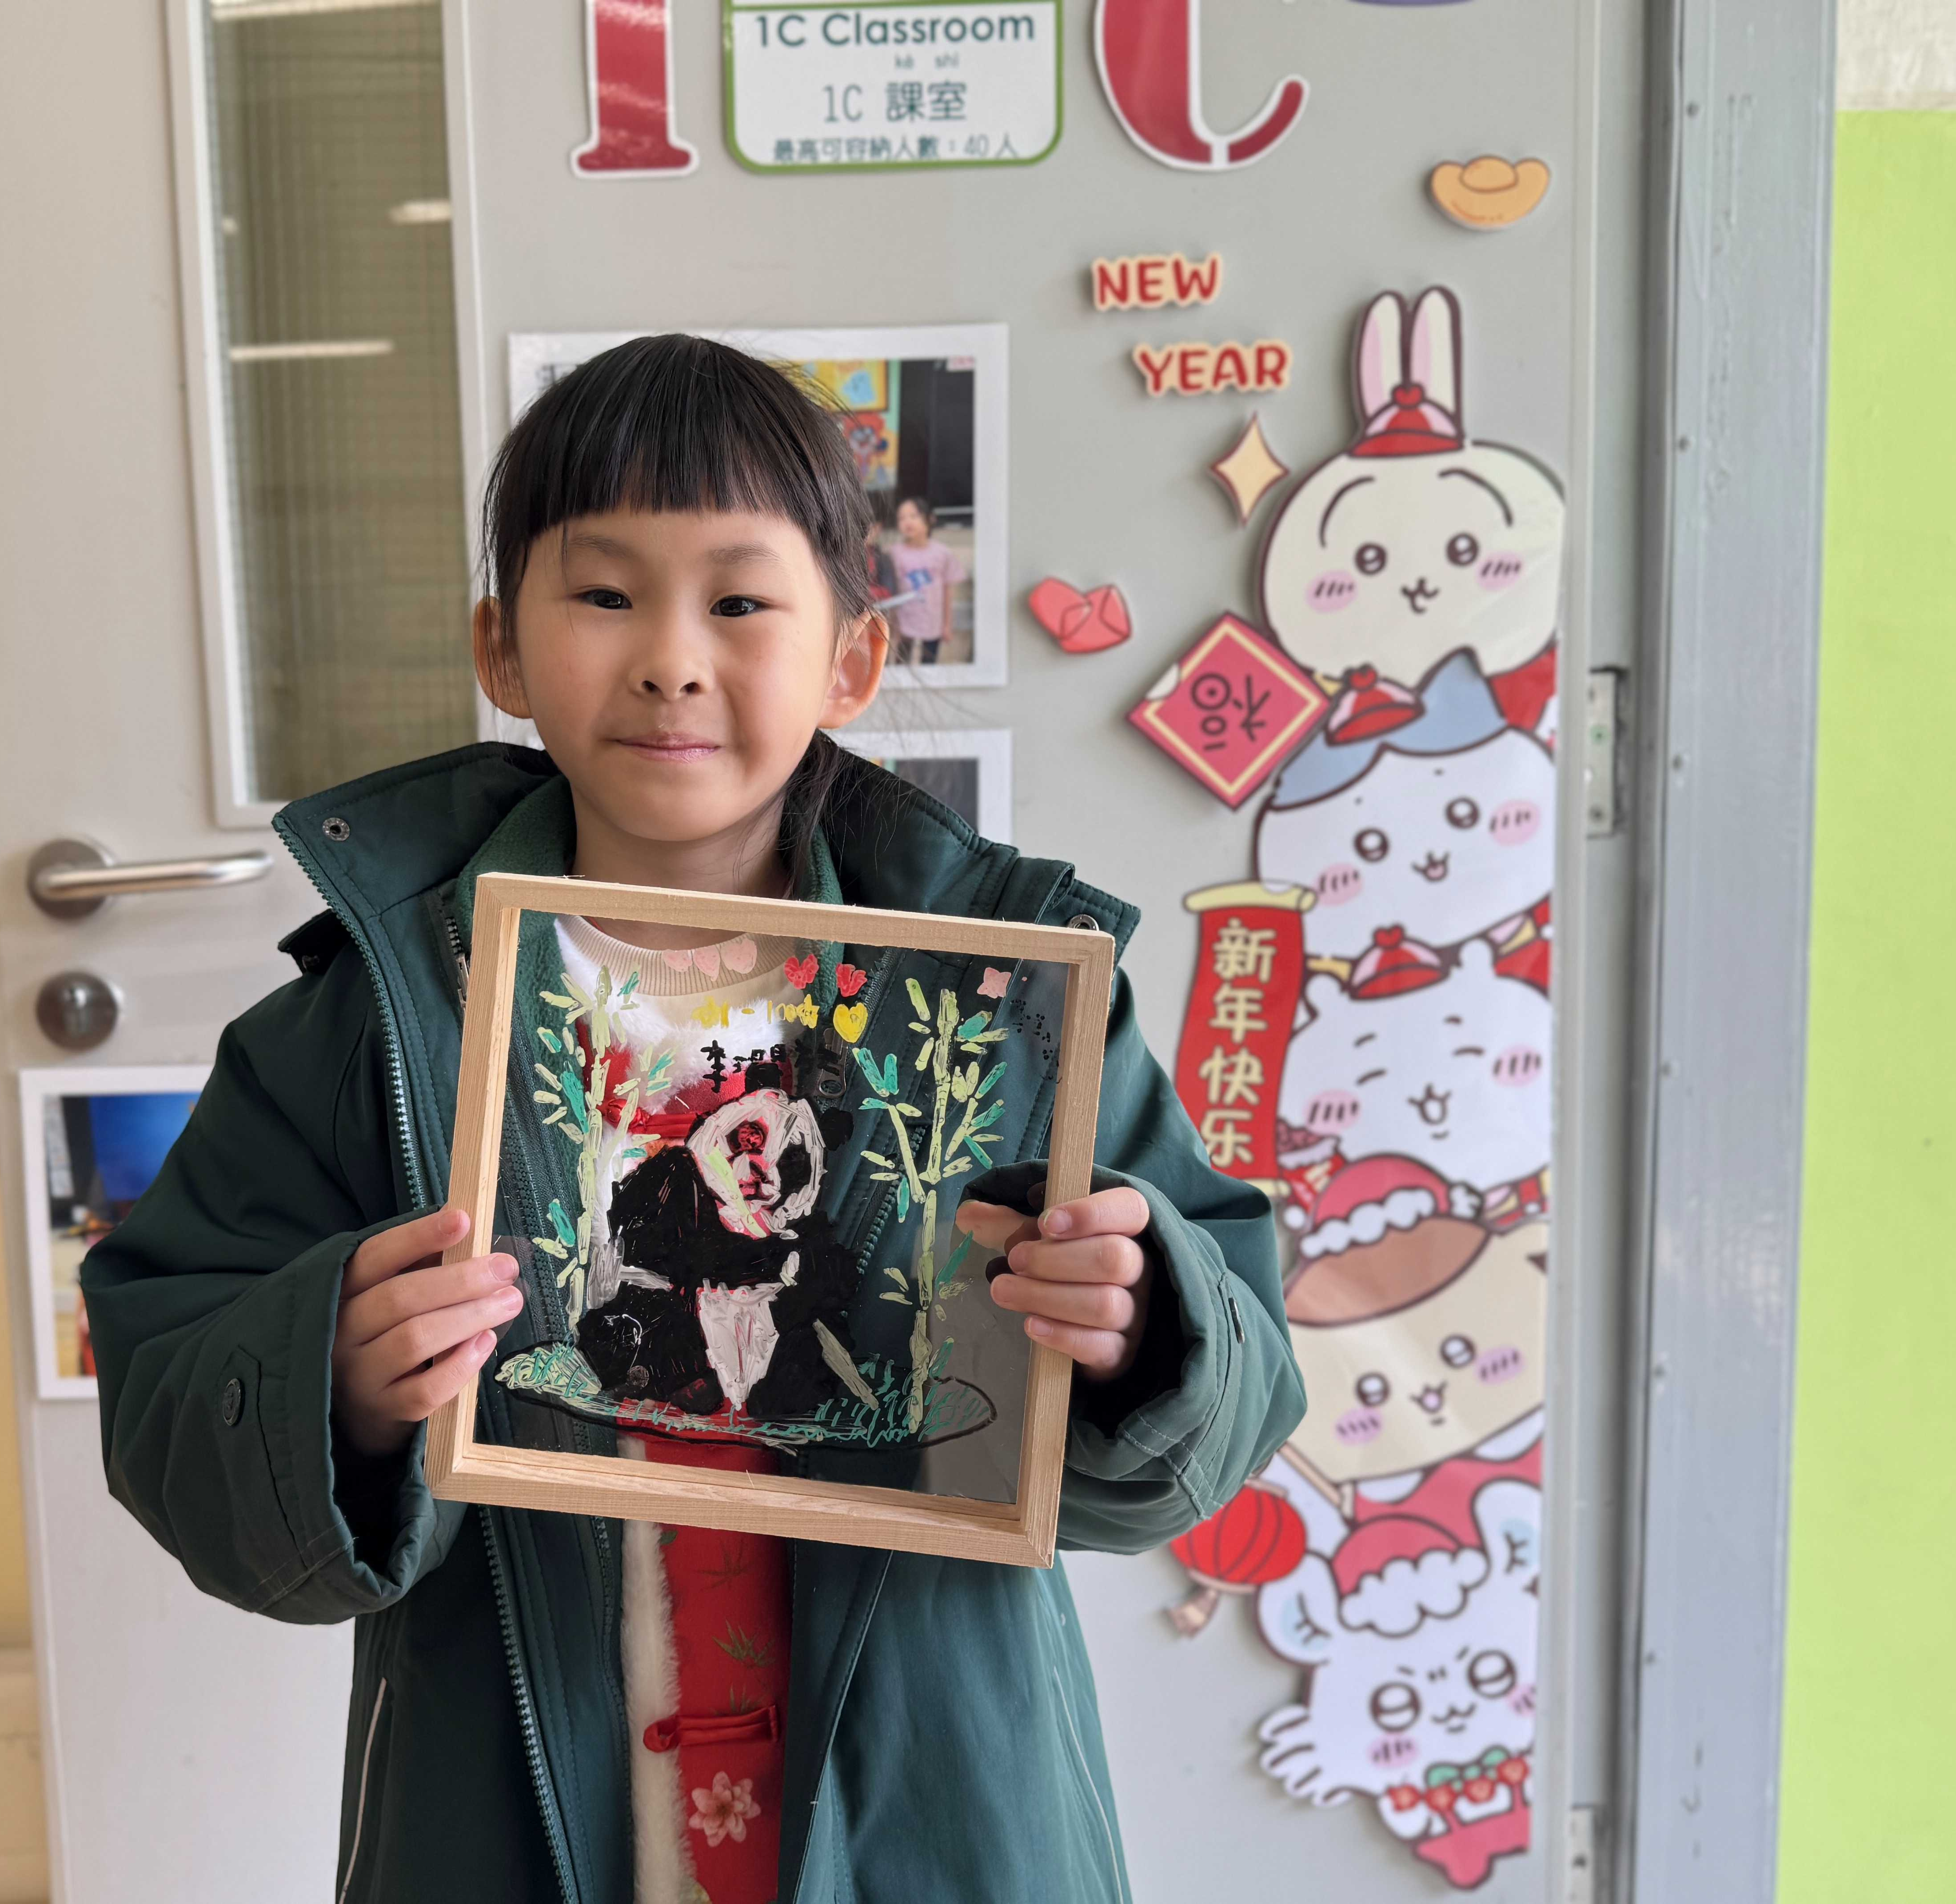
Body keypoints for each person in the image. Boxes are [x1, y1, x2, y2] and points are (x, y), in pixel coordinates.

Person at [80, 334, 1302, 1904]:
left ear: (850, 660)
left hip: (928, 1816)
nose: (669, 657)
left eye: (737, 603)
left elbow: (1229, 1396)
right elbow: (174, 1383)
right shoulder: (369, 1021)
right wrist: (335, 1380)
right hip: (516, 1816)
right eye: (603, 595)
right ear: (499, 648)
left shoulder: (1004, 1002)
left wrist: (1146, 1331)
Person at [885, 494, 966, 665]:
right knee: (901, 664)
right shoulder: (894, 553)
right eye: (902, 518)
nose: (907, 522)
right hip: (904, 622)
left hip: (933, 622)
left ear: (930, 519)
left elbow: (947, 591)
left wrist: (947, 625)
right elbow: (891, 591)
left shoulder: (942, 553)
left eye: (914, 516)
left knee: (929, 665)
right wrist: (892, 623)